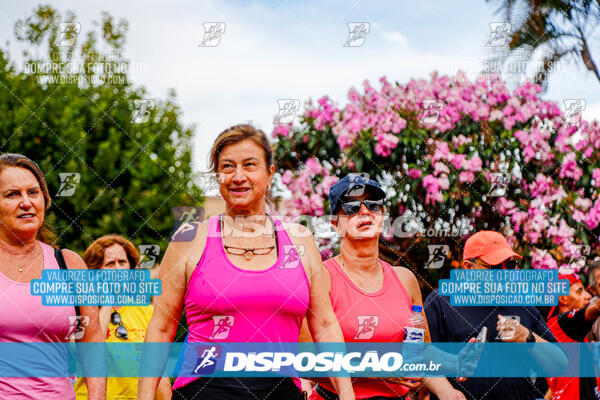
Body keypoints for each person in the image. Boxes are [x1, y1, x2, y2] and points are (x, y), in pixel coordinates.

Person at [138, 124, 355, 400]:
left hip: (281, 390)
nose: (238, 176)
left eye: (250, 165)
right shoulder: (189, 238)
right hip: (205, 389)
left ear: (269, 174)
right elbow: (161, 327)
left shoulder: (300, 241)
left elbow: (324, 324)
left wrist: (346, 394)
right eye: (228, 167)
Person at [302, 174, 466, 400]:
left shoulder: (405, 280)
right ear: (335, 225)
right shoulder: (320, 277)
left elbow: (420, 353)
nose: (364, 211)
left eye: (373, 205)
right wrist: (377, 370)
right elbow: (305, 360)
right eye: (351, 207)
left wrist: (449, 392)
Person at [0, 153, 105, 399]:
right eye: (12, 194)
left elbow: (91, 342)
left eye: (33, 192)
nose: (26, 202)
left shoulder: (68, 264)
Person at [425, 230, 564, 400]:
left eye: (510, 265)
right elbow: (422, 357)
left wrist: (527, 337)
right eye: (496, 266)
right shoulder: (441, 303)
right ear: (468, 267)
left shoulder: (522, 304)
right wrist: (445, 390)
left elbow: (560, 365)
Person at [73, 234, 171, 399]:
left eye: (122, 262)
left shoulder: (148, 312)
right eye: (110, 264)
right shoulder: (82, 310)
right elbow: (90, 353)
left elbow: (159, 371)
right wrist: (107, 301)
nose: (117, 269)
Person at [546, 273, 600, 399]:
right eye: (579, 292)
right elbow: (596, 309)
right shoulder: (564, 323)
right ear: (563, 298)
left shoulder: (554, 326)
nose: (588, 296)